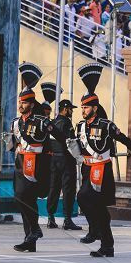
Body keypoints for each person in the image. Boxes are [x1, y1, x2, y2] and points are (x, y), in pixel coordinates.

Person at [67, 63, 131, 257]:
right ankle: (102, 237)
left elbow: (125, 141)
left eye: (87, 106)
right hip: (88, 169)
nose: (83, 110)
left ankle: (103, 240)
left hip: (102, 170)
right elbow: (80, 149)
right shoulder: (80, 126)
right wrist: (74, 150)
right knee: (85, 200)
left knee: (95, 204)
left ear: (95, 108)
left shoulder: (106, 125)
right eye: (82, 106)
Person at [6, 62, 66, 253]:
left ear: (31, 104)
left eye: (23, 102)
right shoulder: (15, 123)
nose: (20, 105)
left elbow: (60, 136)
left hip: (37, 163)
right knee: (23, 198)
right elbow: (13, 142)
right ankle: (30, 238)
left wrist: (73, 151)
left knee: (23, 197)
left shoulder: (41, 121)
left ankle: (34, 230)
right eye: (19, 101)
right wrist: (10, 145)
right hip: (20, 163)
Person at [46, 98, 82, 230]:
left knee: (54, 188)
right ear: (65, 109)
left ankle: (51, 217)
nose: (72, 111)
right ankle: (67, 220)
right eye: (71, 109)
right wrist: (79, 156)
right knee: (68, 189)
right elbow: (70, 142)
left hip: (54, 159)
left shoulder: (53, 122)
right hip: (66, 159)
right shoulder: (66, 122)